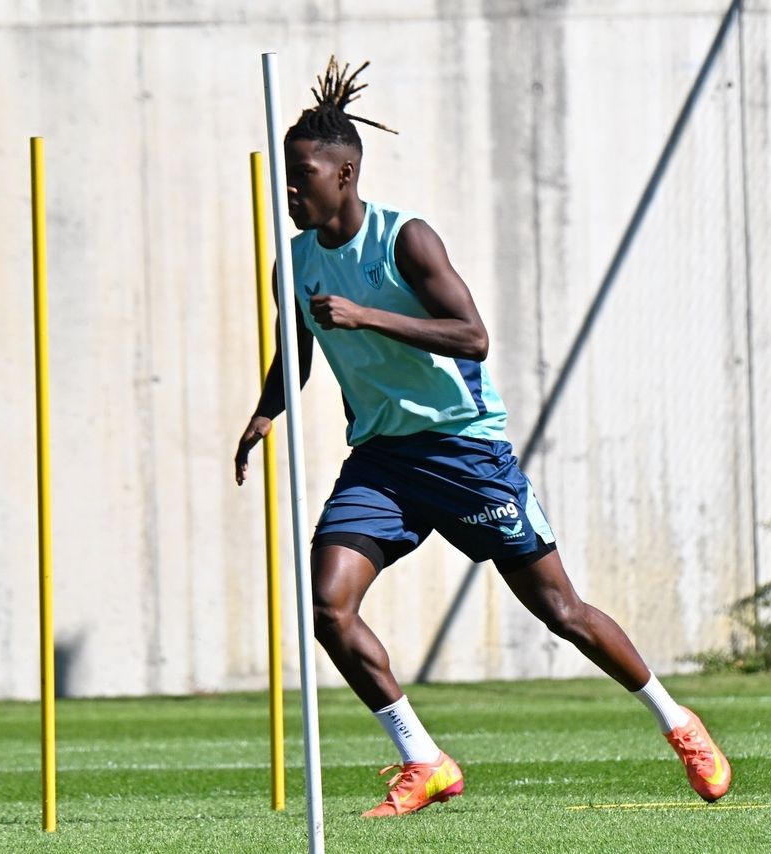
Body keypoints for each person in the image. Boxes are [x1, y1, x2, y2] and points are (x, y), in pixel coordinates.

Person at [235, 56, 730, 818]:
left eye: (303, 175)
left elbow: (472, 336)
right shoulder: (293, 263)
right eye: (287, 177)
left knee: (562, 613)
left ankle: (679, 722)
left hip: (466, 451)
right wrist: (267, 411)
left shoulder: (407, 241)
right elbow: (295, 353)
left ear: (345, 175)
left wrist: (368, 316)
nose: (290, 191)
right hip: (383, 461)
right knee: (328, 607)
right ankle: (423, 759)